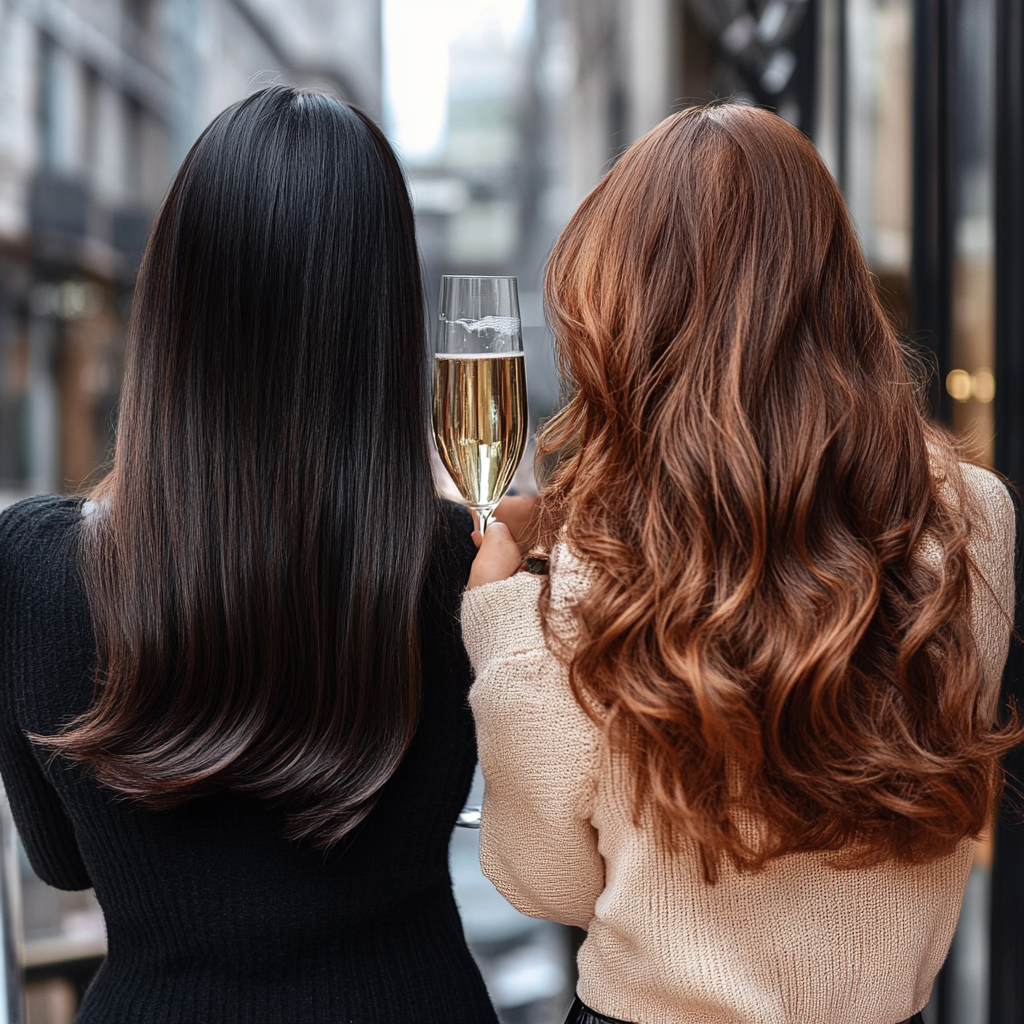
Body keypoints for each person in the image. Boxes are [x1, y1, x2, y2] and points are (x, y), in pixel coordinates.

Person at [463, 104, 1019, 1024]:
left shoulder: (601, 556)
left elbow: (545, 882)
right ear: (838, 280)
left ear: (627, 316)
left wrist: (502, 628)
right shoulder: (971, 519)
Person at [0, 86, 498, 1024]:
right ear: (384, 320)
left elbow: (60, 863)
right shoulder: (456, 565)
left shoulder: (31, 565)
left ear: (172, 303)